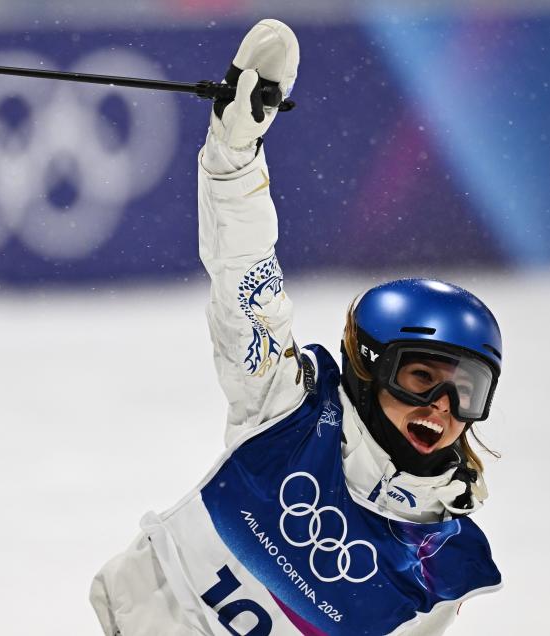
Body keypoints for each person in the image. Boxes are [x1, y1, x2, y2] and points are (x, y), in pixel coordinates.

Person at [90, 18, 502, 636]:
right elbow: (245, 276)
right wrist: (234, 156)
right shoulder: (289, 410)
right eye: (420, 377)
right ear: (368, 366)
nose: (441, 407)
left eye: (466, 391)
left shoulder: (443, 561)